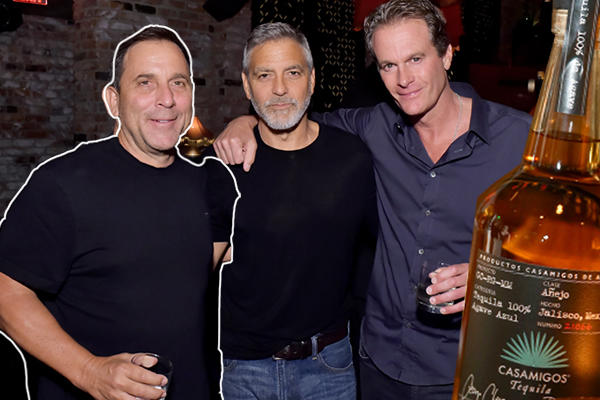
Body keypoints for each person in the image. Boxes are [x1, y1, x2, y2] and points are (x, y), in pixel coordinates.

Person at [211, 1, 532, 399]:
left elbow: (573, 258)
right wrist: (243, 121)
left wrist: (492, 276)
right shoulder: (370, 128)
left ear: (448, 55)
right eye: (388, 65)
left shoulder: (522, 142)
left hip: (466, 369)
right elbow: (291, 121)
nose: (404, 79)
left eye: (415, 58)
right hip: (376, 364)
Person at [0, 25, 231, 400]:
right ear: (113, 101)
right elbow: (6, 291)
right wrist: (89, 371)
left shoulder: (205, 183)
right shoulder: (63, 183)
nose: (167, 99)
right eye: (145, 83)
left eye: (179, 83)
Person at [205, 22, 377, 400]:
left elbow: (379, 252)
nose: (279, 88)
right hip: (245, 370)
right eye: (264, 75)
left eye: (293, 73)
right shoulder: (222, 165)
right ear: (247, 86)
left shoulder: (352, 158)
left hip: (330, 366)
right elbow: (192, 269)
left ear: (312, 80)